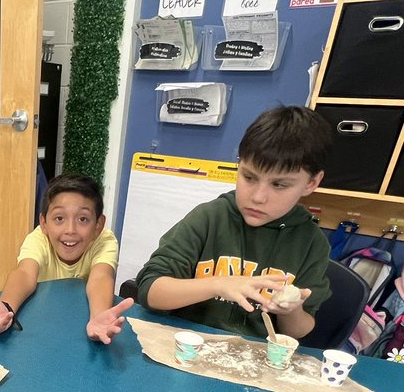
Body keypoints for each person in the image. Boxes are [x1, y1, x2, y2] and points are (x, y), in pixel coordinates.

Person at [135, 106, 333, 340]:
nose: (258, 197)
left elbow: (299, 331)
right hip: (187, 347)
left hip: (254, 361)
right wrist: (219, 284)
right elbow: (150, 291)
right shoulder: (209, 218)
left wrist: (292, 311)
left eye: (279, 185)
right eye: (249, 177)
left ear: (312, 182)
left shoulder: (311, 243)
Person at [0, 173, 133, 344]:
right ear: (44, 223)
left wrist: (99, 316)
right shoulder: (38, 239)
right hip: (42, 320)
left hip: (82, 319)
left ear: (98, 225)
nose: (70, 230)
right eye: (59, 218)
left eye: (83, 219)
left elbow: (101, 277)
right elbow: (24, 273)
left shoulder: (104, 240)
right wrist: (6, 307)